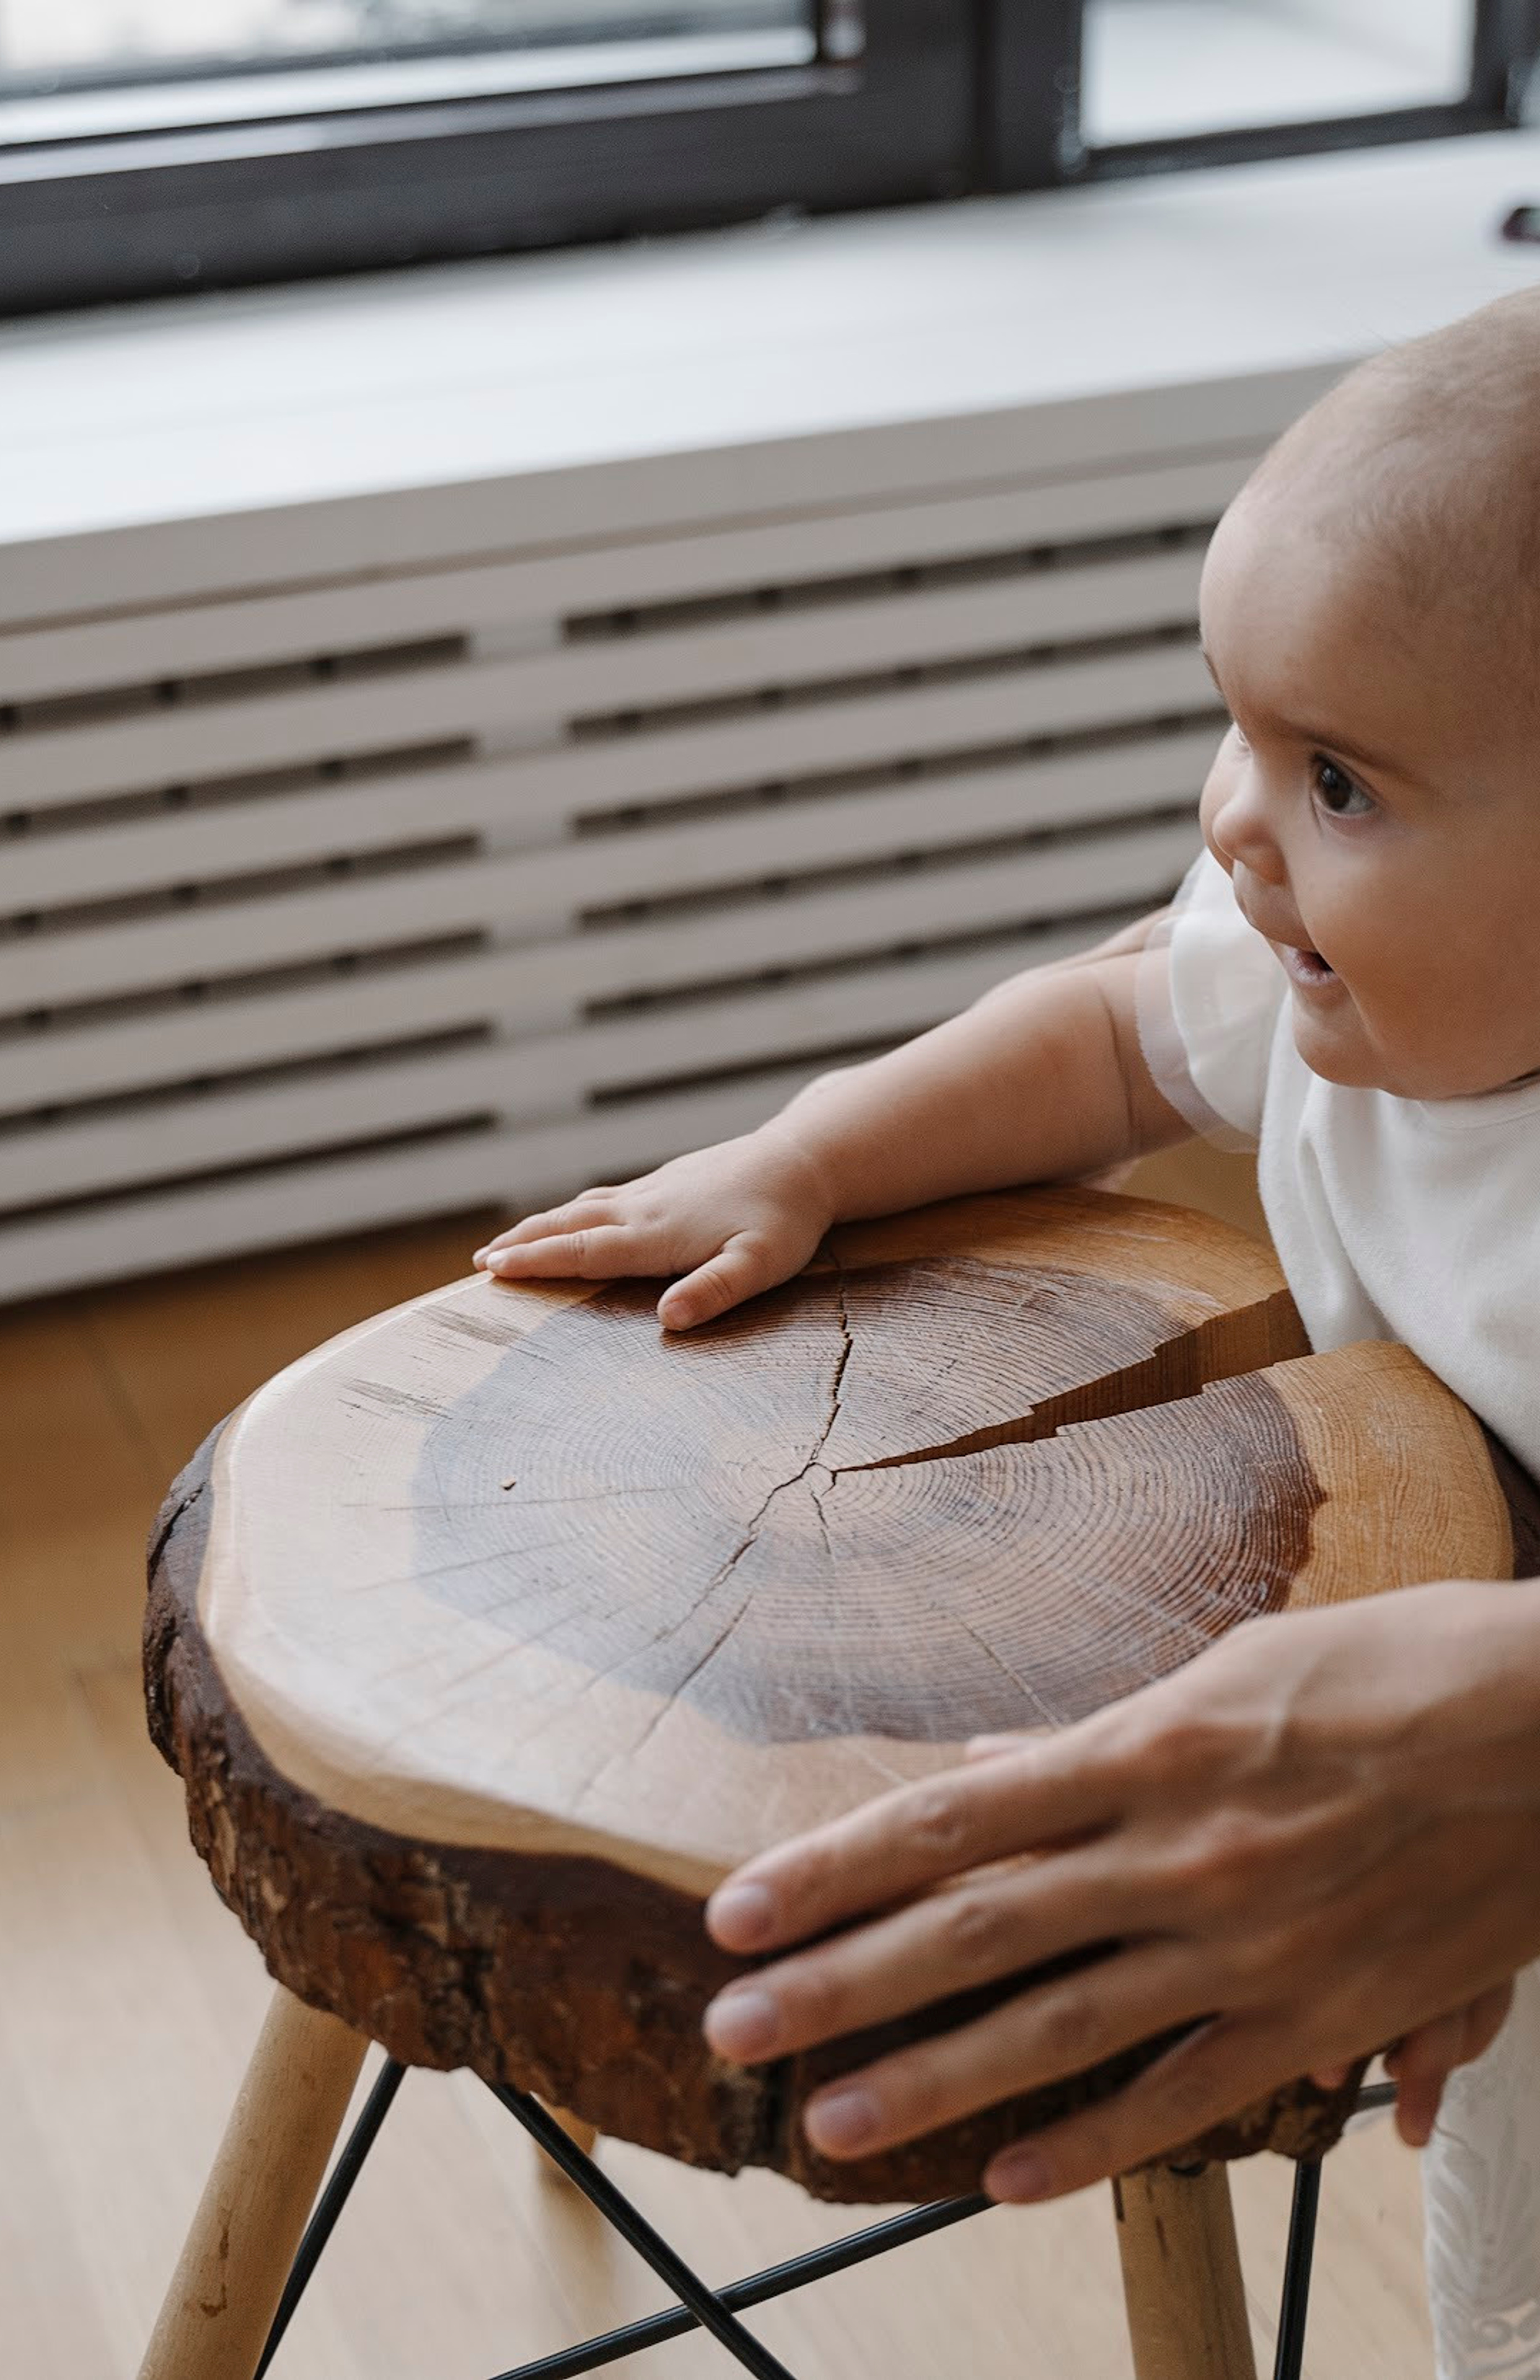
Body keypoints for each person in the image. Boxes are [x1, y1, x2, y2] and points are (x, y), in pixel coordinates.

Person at [477, 287, 1540, 2378]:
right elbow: (1118, 1030)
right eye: (1241, 728)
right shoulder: (1327, 964)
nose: (1233, 822)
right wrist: (811, 1152)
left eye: (1336, 779)